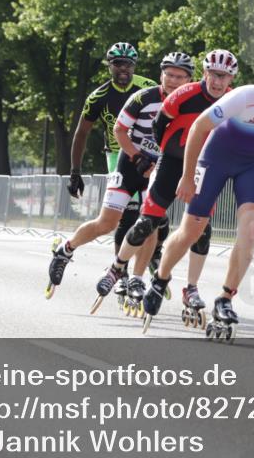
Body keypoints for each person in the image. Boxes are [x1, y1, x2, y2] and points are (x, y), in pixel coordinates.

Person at [140, 56, 254, 340]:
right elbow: (198, 127)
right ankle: (161, 278)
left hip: (253, 165)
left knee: (251, 231)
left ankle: (225, 297)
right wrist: (187, 175)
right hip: (215, 158)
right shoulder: (245, 97)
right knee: (191, 230)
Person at [92, 49, 239, 318]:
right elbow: (159, 126)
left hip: (204, 168)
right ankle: (117, 267)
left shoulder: (234, 100)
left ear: (231, 78)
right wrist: (166, 155)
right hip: (171, 161)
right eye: (214, 75)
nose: (218, 82)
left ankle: (191, 288)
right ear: (204, 74)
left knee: (201, 230)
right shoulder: (184, 94)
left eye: (225, 76)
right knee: (147, 222)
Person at [86, 51, 196, 312]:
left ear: (189, 80)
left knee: (151, 221)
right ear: (161, 75)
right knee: (113, 220)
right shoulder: (139, 96)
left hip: (162, 166)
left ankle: (137, 275)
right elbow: (114, 130)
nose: (172, 81)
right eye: (168, 75)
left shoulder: (194, 102)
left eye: (179, 77)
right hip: (128, 158)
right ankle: (70, 252)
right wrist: (136, 157)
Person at [45, 42, 156, 299]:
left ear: (134, 66)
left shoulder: (148, 88)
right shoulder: (99, 96)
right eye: (118, 63)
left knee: (149, 217)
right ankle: (82, 256)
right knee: (118, 219)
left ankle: (140, 265)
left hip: (148, 155)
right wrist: (75, 172)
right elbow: (82, 132)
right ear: (110, 65)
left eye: (128, 64)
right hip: (118, 154)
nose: (123, 69)